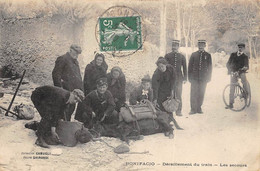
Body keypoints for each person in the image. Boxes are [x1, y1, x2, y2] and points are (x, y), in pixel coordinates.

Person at [52, 44, 83, 121]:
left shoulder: (75, 62)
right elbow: (56, 75)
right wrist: (60, 90)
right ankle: (60, 128)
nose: (77, 54)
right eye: (75, 52)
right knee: (63, 112)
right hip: (65, 91)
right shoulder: (62, 59)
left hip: (74, 92)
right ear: (71, 50)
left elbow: (78, 76)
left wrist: (80, 89)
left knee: (70, 111)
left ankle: (66, 126)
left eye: (78, 53)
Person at [188, 40, 212, 114]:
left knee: (201, 93)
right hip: (194, 78)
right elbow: (190, 67)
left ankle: (199, 108)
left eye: (202, 44)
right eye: (199, 44)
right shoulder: (193, 54)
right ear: (198, 45)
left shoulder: (208, 55)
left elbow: (210, 67)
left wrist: (208, 77)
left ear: (205, 45)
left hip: (203, 78)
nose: (201, 46)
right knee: (193, 93)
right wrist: (190, 77)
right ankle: (193, 109)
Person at [165, 40, 187, 116]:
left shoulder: (182, 56)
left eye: (176, 46)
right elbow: (165, 68)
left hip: (179, 78)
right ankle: (168, 110)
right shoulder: (167, 56)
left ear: (178, 47)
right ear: (171, 46)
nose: (174, 47)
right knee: (169, 93)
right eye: (173, 46)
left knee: (178, 94)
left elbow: (184, 68)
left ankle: (178, 110)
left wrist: (185, 78)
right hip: (169, 78)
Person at [225, 43, 249, 109]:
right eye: (239, 47)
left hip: (241, 72)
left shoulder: (245, 57)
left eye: (241, 47)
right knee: (232, 86)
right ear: (238, 48)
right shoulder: (233, 55)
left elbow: (247, 66)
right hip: (233, 72)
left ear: (244, 48)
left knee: (244, 80)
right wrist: (231, 71)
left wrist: (242, 69)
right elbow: (228, 64)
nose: (240, 48)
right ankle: (231, 103)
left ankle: (245, 94)